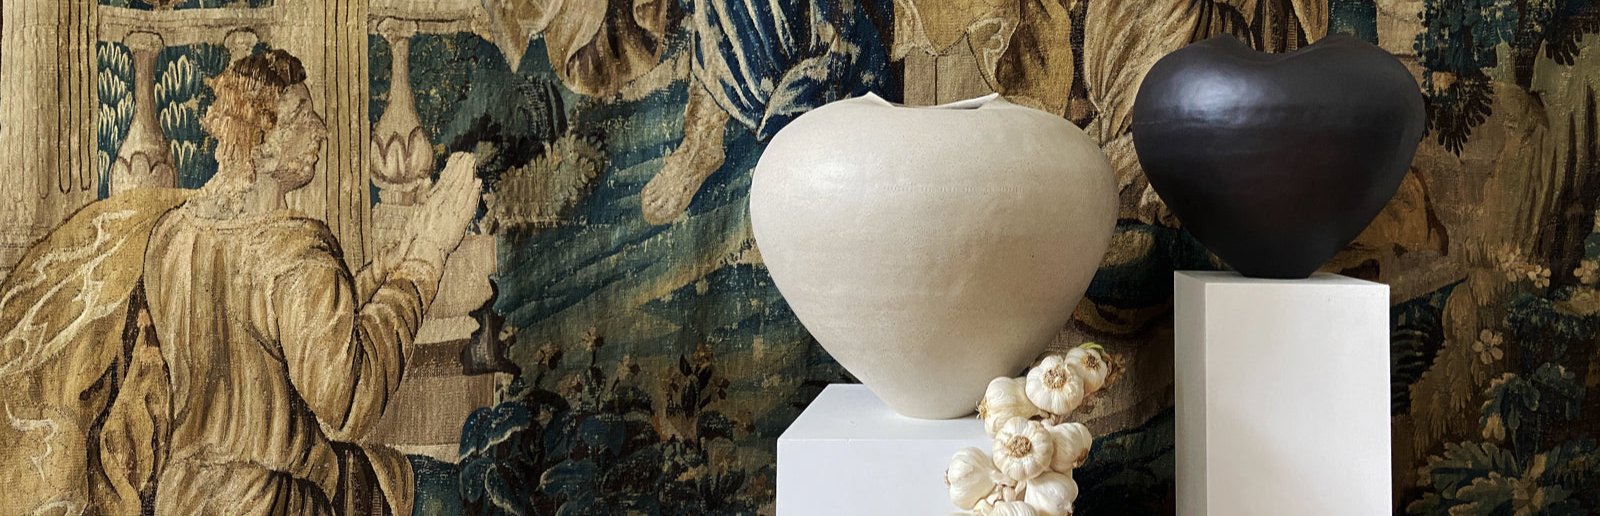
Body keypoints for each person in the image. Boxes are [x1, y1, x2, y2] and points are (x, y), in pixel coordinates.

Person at [0, 49, 480, 515]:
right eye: (302, 117)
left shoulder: (171, 233)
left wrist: (381, 271)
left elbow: (271, 329)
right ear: (262, 141)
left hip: (182, 498)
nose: (320, 129)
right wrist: (426, 259)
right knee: (457, 490)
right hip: (276, 499)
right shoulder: (298, 249)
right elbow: (351, 401)